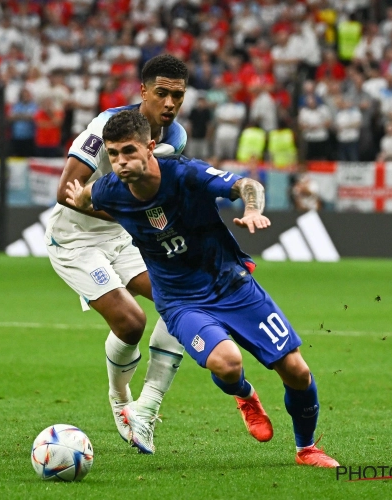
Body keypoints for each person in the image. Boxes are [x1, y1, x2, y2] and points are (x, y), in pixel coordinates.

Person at [64, 110, 339, 467]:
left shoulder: (185, 173)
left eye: (128, 151)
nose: (120, 162)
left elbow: (247, 186)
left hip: (232, 285)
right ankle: (245, 395)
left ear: (150, 148)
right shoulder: (110, 189)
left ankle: (307, 449)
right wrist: (78, 195)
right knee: (228, 364)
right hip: (180, 301)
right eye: (113, 154)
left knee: (297, 370)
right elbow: (85, 197)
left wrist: (253, 210)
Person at [46, 55, 265, 451]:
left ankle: (147, 409)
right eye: (161, 93)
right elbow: (66, 191)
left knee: (181, 300)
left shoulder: (175, 137)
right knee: (131, 323)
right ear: (143, 91)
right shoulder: (103, 128)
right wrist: (124, 210)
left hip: (122, 235)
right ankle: (120, 398)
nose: (169, 103)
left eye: (177, 95)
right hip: (76, 239)